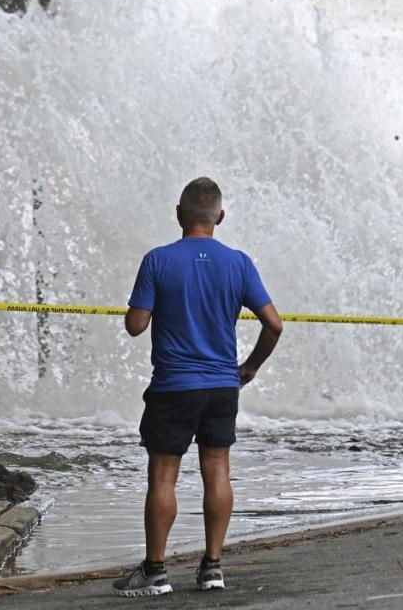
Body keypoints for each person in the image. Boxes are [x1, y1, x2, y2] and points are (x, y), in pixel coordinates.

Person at [112, 177, 283, 597]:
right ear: (219, 217)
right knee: (218, 471)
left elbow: (135, 326)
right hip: (223, 384)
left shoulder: (158, 260)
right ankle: (212, 567)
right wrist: (250, 368)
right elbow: (274, 324)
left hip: (174, 385)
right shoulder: (239, 263)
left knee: (163, 476)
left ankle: (155, 572)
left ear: (178, 213)